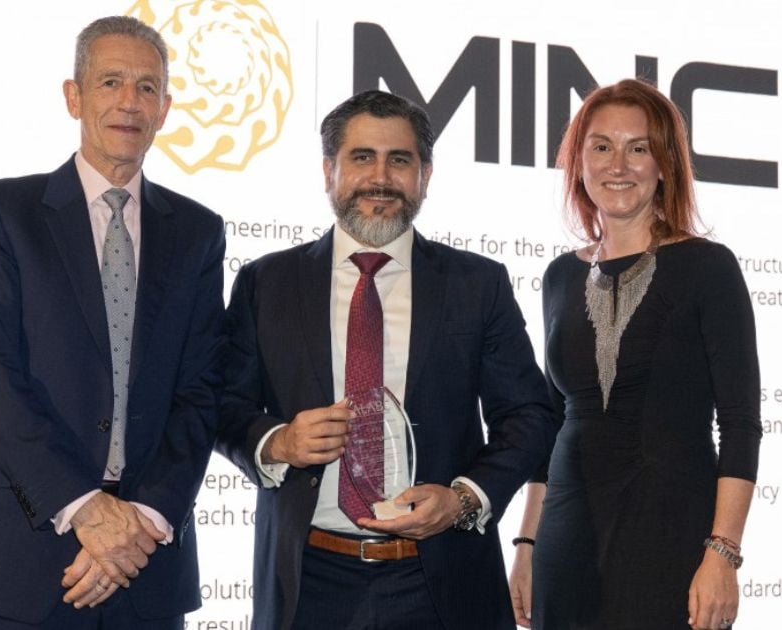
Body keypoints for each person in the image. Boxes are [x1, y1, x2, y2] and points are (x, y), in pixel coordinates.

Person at [216, 89, 559, 630]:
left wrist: (463, 499)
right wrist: (278, 442)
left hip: (442, 582)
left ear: (425, 174)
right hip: (306, 581)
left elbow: (529, 416)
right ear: (328, 171)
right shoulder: (267, 281)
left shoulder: (477, 284)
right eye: (361, 157)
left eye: (399, 160)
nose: (380, 177)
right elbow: (222, 405)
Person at [0, 16, 225, 629]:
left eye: (147, 88)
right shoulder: (4, 211)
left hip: (147, 559)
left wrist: (142, 521)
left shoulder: (198, 232)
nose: (130, 102)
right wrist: (87, 510)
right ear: (74, 96)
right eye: (110, 82)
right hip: (23, 554)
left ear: (166, 109)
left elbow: (202, 390)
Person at [508, 78, 762, 630]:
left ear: (665, 164)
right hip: (567, 538)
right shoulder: (559, 276)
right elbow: (552, 423)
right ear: (579, 163)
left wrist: (723, 553)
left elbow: (741, 425)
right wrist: (527, 544)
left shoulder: (709, 267)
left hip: (672, 537)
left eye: (638, 148)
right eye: (601, 147)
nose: (617, 165)